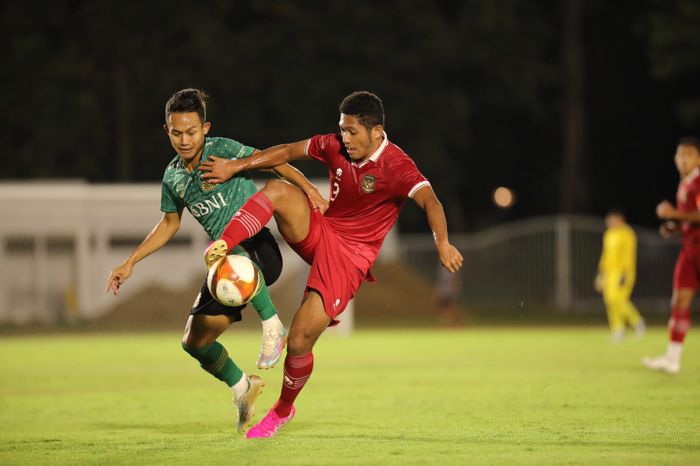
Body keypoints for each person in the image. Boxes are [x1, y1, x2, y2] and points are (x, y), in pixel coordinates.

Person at [199, 90, 464, 438]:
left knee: (299, 340)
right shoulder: (334, 145)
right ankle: (225, 244)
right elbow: (286, 152)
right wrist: (236, 166)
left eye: (353, 131)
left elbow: (431, 202)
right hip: (323, 230)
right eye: (343, 129)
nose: (345, 138)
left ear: (377, 132)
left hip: (350, 258)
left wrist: (442, 242)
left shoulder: (396, 165)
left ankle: (282, 410)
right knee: (278, 189)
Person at [105, 88, 327, 431]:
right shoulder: (173, 177)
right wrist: (131, 261)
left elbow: (273, 160)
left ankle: (272, 326)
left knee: (235, 263)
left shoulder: (222, 149)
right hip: (224, 265)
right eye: (176, 132)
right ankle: (243, 387)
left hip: (258, 250)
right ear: (167, 130)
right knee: (195, 341)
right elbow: (169, 224)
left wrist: (310, 188)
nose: (184, 139)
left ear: (205, 128)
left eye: (191, 131)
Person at [643, 136, 700, 374]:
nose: (682, 159)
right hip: (689, 249)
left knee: (680, 302)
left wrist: (673, 214)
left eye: (687, 154)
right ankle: (672, 359)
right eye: (679, 155)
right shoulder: (685, 183)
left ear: (698, 158)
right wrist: (673, 226)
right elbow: (689, 218)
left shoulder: (697, 182)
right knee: (679, 302)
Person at [594, 207, 645, 341]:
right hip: (609, 273)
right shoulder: (609, 234)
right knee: (609, 301)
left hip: (624, 272)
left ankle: (637, 322)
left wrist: (624, 273)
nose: (608, 222)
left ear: (619, 219)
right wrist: (601, 274)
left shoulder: (627, 233)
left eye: (611, 220)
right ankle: (618, 329)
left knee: (620, 300)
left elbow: (629, 254)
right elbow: (605, 255)